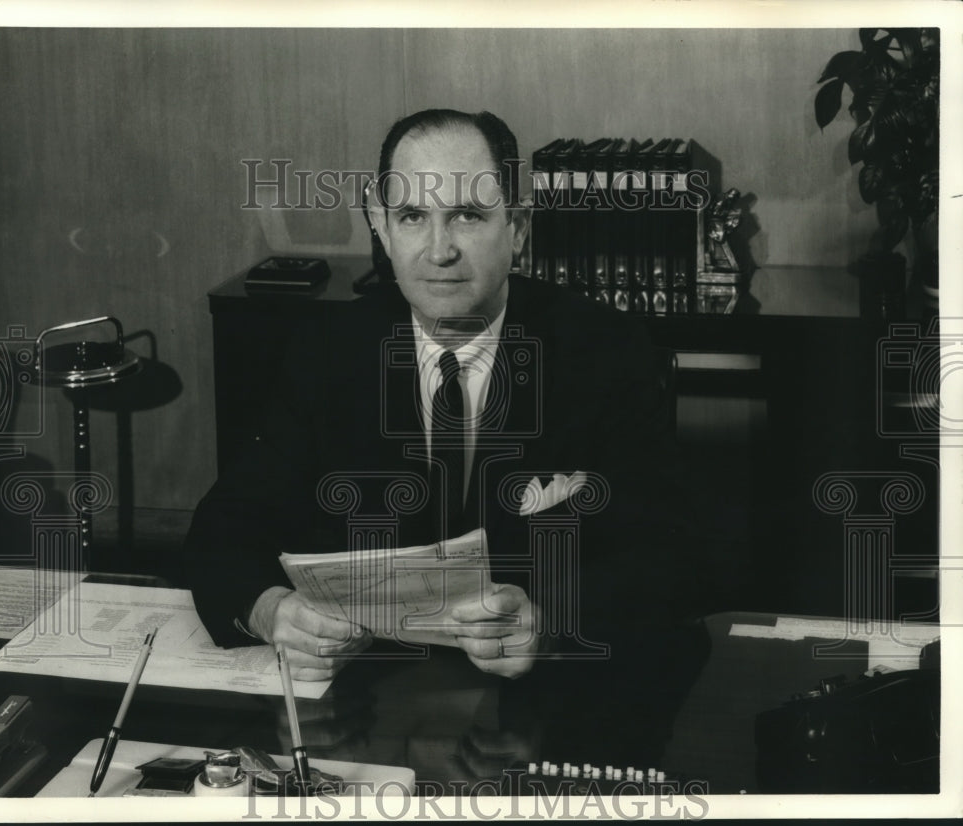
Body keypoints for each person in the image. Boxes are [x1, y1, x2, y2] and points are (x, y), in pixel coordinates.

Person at [185, 109, 701, 685]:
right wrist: (272, 612)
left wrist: (549, 625)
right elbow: (224, 526)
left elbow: (669, 552)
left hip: (541, 700)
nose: (439, 250)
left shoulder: (605, 350)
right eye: (411, 216)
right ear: (381, 228)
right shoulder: (329, 350)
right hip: (367, 698)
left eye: (467, 216)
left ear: (518, 228)